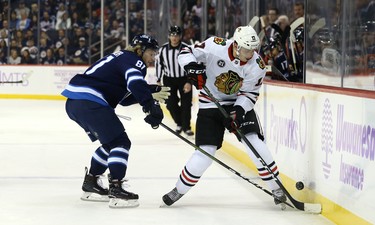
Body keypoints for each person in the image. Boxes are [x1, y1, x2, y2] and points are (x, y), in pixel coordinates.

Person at [161, 25, 286, 207]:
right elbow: (186, 52)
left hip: (238, 103)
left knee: (253, 142)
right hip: (209, 104)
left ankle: (276, 188)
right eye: (246, 50)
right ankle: (178, 190)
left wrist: (238, 111)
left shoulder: (257, 65)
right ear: (235, 45)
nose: (250, 54)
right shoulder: (214, 46)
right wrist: (192, 67)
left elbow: (250, 94)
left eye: (253, 50)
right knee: (205, 152)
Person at [61, 34, 169, 208]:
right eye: (151, 52)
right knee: (120, 142)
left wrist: (150, 90)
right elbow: (135, 82)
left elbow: (124, 99)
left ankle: (91, 183)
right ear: (139, 49)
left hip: (75, 103)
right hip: (90, 101)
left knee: (110, 144)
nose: (153, 57)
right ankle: (117, 188)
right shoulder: (134, 60)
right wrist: (150, 105)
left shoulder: (120, 58)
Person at [155, 25, 194, 137]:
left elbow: (192, 65)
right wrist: (158, 80)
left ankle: (186, 127)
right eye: (172, 35)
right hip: (169, 79)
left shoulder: (186, 48)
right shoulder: (163, 50)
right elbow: (159, 64)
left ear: (180, 36)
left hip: (184, 79)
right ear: (169, 36)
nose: (174, 37)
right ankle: (179, 123)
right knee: (171, 104)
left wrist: (189, 81)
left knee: (186, 104)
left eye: (176, 35)